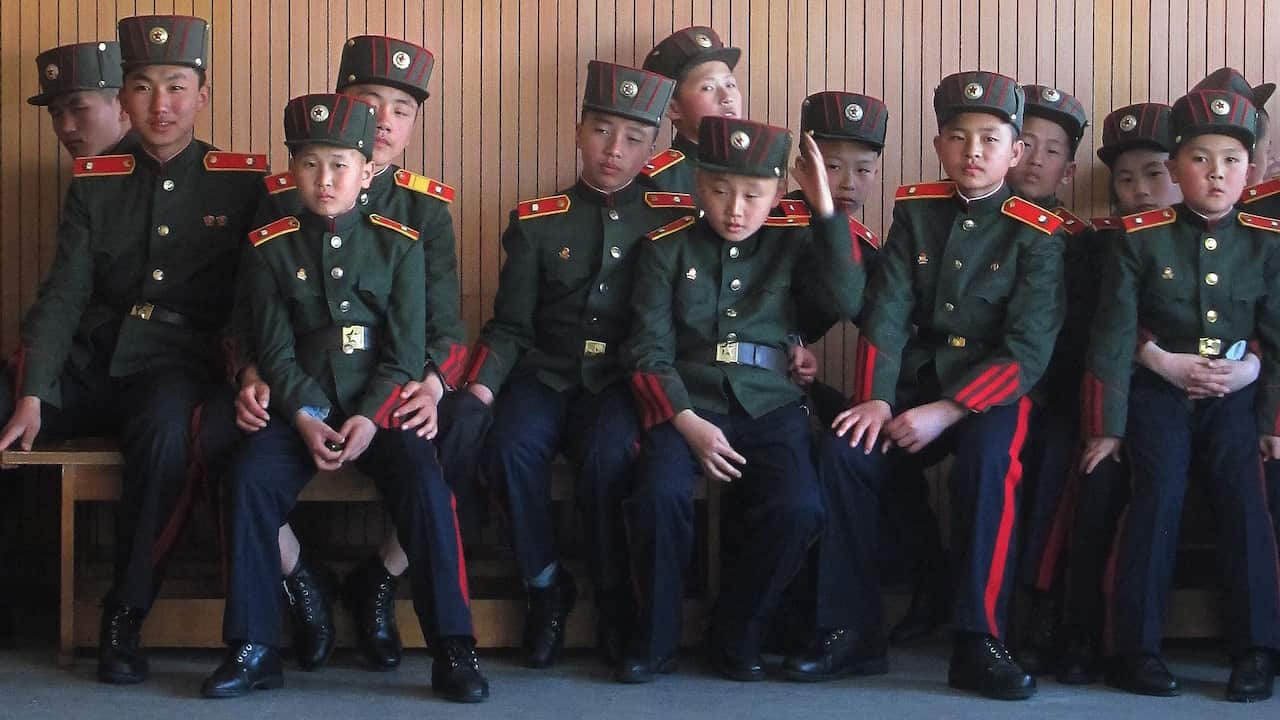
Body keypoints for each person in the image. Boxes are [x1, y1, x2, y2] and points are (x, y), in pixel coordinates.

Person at [0, 15, 266, 684]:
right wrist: (34, 392)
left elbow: (251, 299)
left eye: (177, 86)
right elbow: (63, 294)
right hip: (94, 357)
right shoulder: (97, 181)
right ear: (125, 98)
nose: (160, 104)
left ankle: (125, 616)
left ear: (202, 95)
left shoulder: (240, 181)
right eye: (143, 87)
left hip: (175, 363)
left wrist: (244, 370)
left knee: (166, 437)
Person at [201, 92, 488, 703]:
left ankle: (453, 648)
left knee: (425, 482)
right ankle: (253, 646)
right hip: (298, 408)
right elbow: (274, 350)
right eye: (309, 164)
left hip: (378, 409)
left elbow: (407, 351)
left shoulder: (400, 242)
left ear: (365, 171)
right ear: (292, 170)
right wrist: (306, 416)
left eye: (339, 165)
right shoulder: (269, 244)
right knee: (251, 479)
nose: (325, 180)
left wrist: (368, 416)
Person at [803, 71, 1066, 700]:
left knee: (988, 461)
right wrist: (877, 397)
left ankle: (981, 641)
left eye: (989, 139)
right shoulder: (917, 212)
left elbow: (1028, 350)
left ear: (1015, 150)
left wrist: (950, 410)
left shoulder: (1039, 230)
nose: (972, 151)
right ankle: (850, 632)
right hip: (918, 382)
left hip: (993, 391)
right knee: (848, 451)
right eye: (957, 137)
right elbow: (888, 312)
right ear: (941, 146)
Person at [461, 61, 687, 669]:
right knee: (506, 448)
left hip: (621, 380)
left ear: (655, 146)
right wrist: (480, 388)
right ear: (580, 128)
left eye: (634, 139)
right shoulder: (537, 222)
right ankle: (544, 587)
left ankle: (615, 600)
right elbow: (510, 325)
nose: (614, 150)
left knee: (609, 455)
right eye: (602, 131)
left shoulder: (674, 219)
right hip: (546, 372)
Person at [622, 116, 864, 683]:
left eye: (753, 195)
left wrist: (823, 207)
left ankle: (738, 630)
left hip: (769, 402)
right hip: (687, 402)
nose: (735, 209)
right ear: (698, 184)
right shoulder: (665, 249)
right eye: (719, 191)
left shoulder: (792, 239)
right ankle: (654, 641)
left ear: (778, 192)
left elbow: (847, 298)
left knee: (800, 508)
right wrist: (685, 421)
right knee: (659, 496)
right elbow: (647, 350)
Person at [1082, 87, 1280, 703]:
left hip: (1234, 397)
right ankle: (1134, 650)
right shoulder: (1140, 237)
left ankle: (1255, 650)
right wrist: (1107, 426)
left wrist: (1267, 409)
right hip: (1157, 392)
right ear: (1174, 170)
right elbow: (1113, 331)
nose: (1215, 172)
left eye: (1230, 159)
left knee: (1243, 493)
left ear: (1252, 170)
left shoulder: (1267, 240)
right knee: (1157, 492)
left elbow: (1276, 336)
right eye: (1199, 159)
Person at [1004, 83, 1092, 674]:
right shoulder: (974, 220)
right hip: (986, 388)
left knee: (1058, 454)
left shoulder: (1082, 241)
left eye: (1052, 149)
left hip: (1058, 394)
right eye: (1027, 142)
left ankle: (1035, 610)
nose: (1037, 158)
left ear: (1068, 168)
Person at [639, 26, 742, 194]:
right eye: (708, 88)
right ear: (673, 107)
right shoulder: (655, 182)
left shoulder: (756, 170)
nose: (727, 97)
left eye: (730, 84)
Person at [27, 40, 132, 158]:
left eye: (79, 109)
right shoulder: (96, 170)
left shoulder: (148, 172)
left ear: (124, 106)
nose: (66, 127)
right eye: (56, 114)